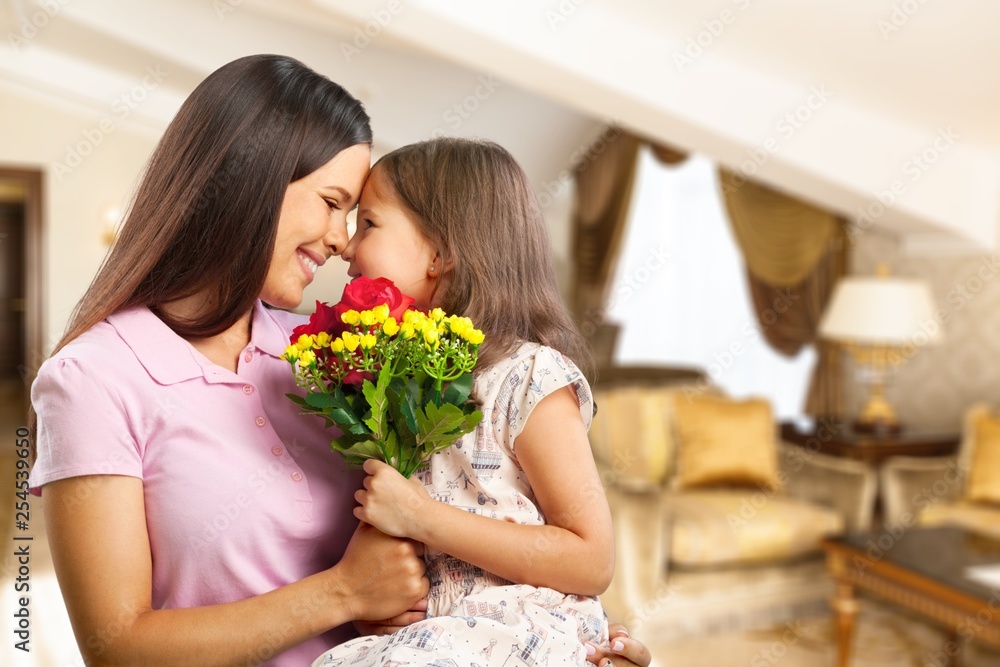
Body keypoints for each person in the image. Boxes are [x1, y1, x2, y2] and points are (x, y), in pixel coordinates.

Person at [28, 55, 650, 667]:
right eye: (332, 203)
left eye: (357, 217)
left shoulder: (338, 355)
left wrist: (566, 642)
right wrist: (341, 593)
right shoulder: (92, 379)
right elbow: (116, 649)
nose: (339, 242)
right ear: (252, 180)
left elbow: (487, 524)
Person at [311, 137, 615, 667]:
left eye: (370, 224)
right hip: (438, 634)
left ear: (440, 254)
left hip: (517, 627)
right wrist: (379, 611)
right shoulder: (398, 382)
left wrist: (423, 517)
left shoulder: (529, 376)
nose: (349, 247)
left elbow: (592, 559)